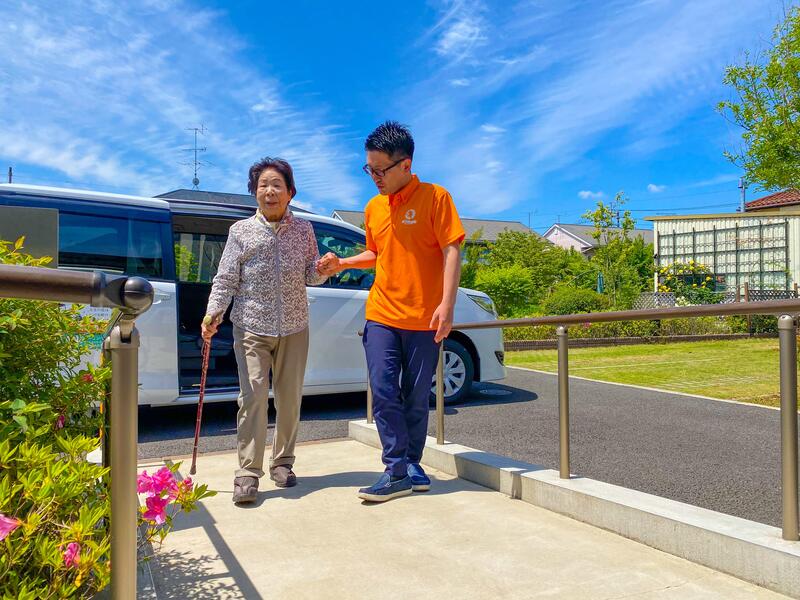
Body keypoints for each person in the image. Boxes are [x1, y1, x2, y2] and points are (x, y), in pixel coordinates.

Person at [318, 121, 465, 502]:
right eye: (369, 169)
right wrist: (344, 263)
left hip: (424, 317)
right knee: (383, 391)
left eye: (380, 170)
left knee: (415, 395)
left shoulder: (436, 198)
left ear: (406, 165)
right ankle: (396, 468)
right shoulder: (374, 208)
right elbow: (376, 252)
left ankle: (412, 465)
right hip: (381, 312)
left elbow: (452, 250)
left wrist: (447, 304)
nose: (374, 178)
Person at [202, 157, 328, 504]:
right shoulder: (240, 231)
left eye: (277, 185)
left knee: (289, 397)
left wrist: (324, 269)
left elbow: (311, 275)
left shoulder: (304, 230)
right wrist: (214, 311)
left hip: (294, 326)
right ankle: (248, 471)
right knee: (253, 396)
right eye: (263, 185)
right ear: (255, 192)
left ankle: (283, 462)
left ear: (290, 192)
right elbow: (226, 278)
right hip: (251, 326)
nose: (269, 191)